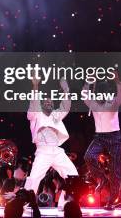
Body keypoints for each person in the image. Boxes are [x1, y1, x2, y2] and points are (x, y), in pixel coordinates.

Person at [24, 77, 78, 208]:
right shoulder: (35, 115)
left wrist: (66, 90)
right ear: (41, 105)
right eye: (46, 102)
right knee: (34, 177)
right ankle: (24, 202)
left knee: (72, 174)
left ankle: (65, 202)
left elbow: (65, 106)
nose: (49, 103)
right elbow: (34, 103)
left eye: (51, 102)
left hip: (57, 151)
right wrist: (35, 86)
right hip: (43, 151)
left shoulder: (56, 115)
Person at [83, 71, 121, 210]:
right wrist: (89, 81)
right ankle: (101, 178)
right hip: (99, 137)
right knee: (88, 156)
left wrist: (117, 80)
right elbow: (84, 94)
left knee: (114, 170)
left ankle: (112, 200)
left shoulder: (113, 102)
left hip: (114, 137)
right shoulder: (93, 104)